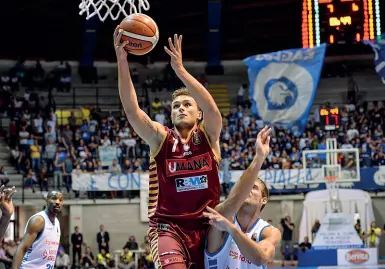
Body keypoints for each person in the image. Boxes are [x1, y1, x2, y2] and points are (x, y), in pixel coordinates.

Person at [114, 29, 222, 269]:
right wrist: (122, 60)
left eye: (187, 104)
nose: (181, 108)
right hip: (167, 228)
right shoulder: (160, 138)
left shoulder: (209, 135)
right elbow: (132, 110)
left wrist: (180, 71)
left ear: (199, 112)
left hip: (208, 228)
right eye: (175, 106)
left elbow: (214, 112)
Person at [204, 127, 281, 268]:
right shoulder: (223, 218)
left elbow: (260, 258)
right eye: (246, 187)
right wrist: (259, 158)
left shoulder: (269, 231)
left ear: (263, 200)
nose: (248, 191)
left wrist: (233, 230)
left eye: (254, 188)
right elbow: (234, 198)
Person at [12, 191, 64, 269]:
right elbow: (22, 248)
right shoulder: (38, 220)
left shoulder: (57, 222)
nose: (57, 202)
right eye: (54, 198)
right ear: (46, 200)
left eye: (60, 200)